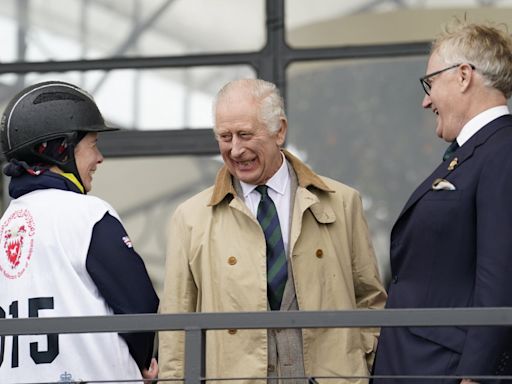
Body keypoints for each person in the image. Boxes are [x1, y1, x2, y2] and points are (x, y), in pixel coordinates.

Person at [158, 78, 387, 383]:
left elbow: (370, 301)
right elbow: (176, 327)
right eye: (225, 137)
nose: (236, 150)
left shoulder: (343, 203)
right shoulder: (190, 219)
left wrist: (358, 362)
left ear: (279, 130)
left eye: (245, 135)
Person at [371, 18, 512, 384]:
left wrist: (475, 376)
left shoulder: (502, 151)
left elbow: (500, 277)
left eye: (430, 83)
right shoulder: (470, 155)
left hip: (445, 370)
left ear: (463, 76)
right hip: (418, 364)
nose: (425, 100)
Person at [0, 81, 159, 383]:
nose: (100, 158)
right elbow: (139, 304)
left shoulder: (5, 224)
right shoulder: (88, 214)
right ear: (62, 149)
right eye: (93, 144)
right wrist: (143, 361)